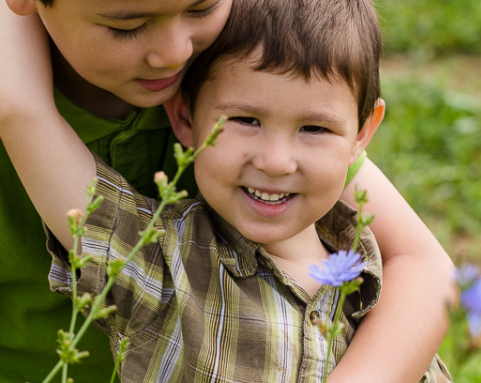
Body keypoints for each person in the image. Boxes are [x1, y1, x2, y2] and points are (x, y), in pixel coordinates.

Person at [0, 0, 454, 381]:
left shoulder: (246, 58)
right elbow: (18, 109)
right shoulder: (166, 262)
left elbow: (423, 265)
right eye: (127, 25)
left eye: (202, 6)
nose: (174, 53)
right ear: (185, 117)